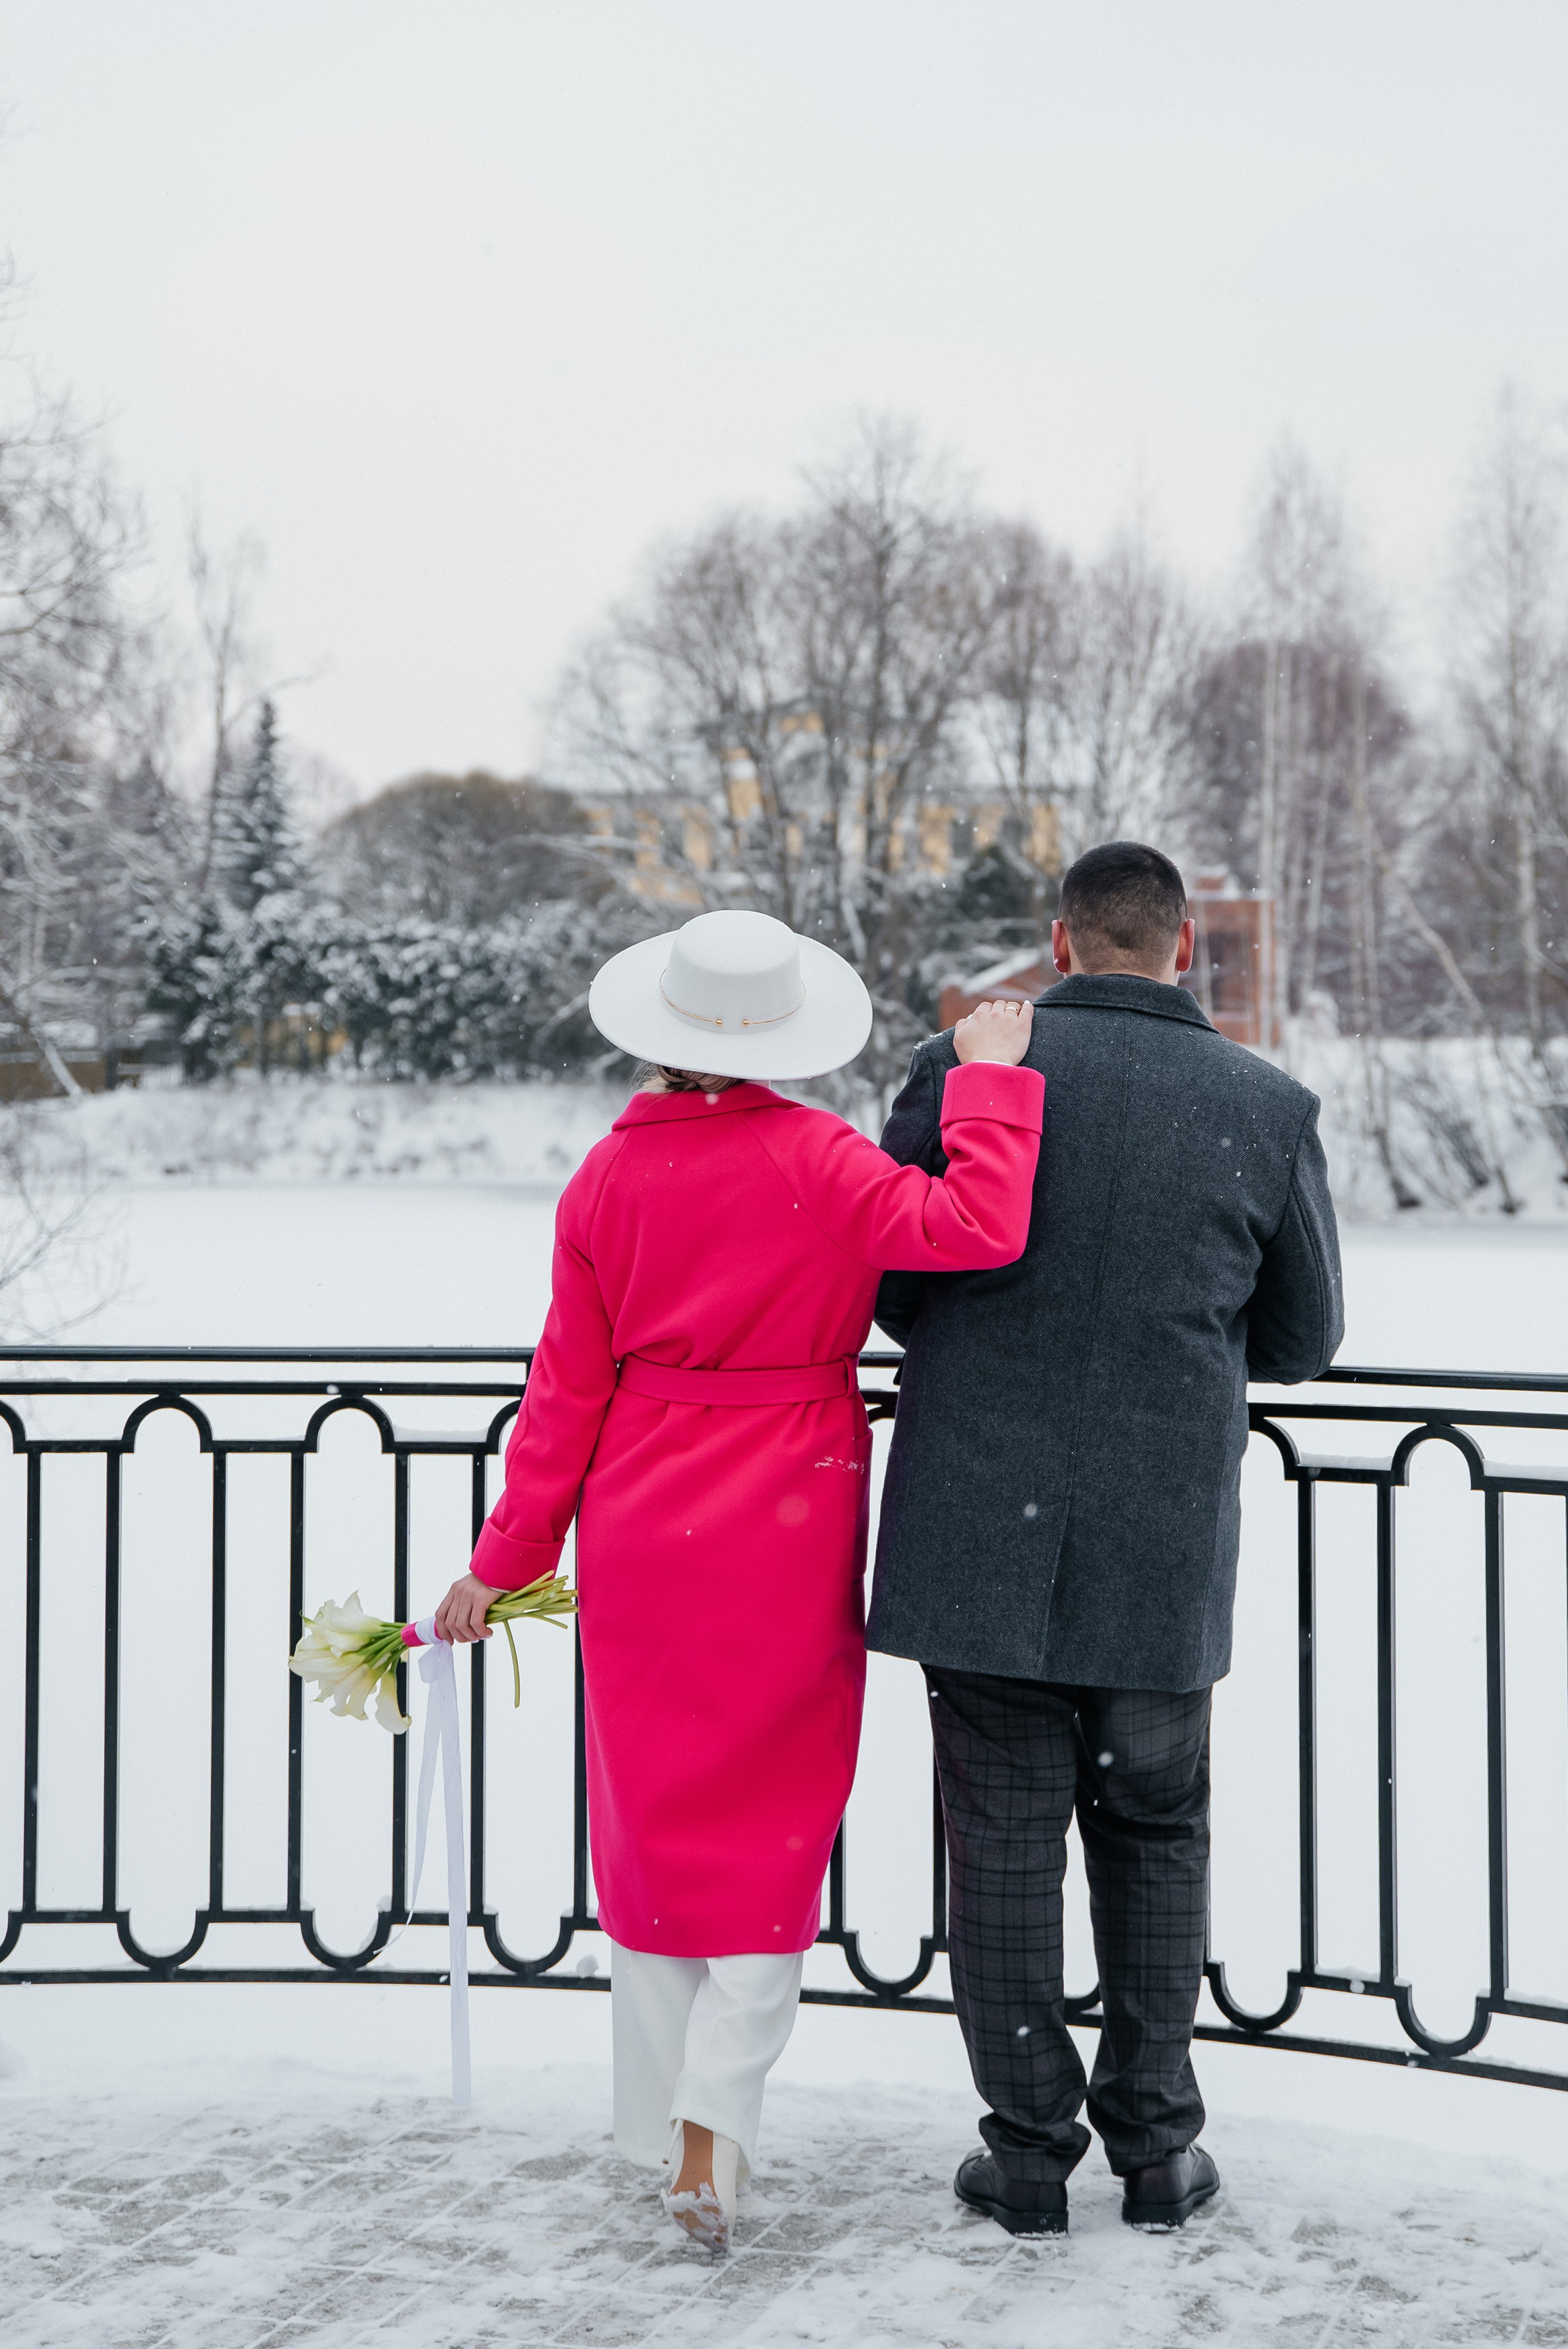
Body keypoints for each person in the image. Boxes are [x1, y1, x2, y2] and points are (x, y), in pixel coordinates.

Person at [434, 907, 1044, 2250]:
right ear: (777, 1038)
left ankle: (657, 2125)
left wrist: (501, 1562)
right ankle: (715, 2128)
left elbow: (562, 1392)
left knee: (652, 1826)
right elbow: (977, 1226)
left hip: (642, 1518)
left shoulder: (602, 1182)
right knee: (772, 1820)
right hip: (786, 1510)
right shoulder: (816, 1158)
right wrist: (989, 1077)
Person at [869, 840, 1343, 2238]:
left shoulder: (960, 1068)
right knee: (1153, 1831)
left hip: (974, 1524)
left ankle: (1025, 2153)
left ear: (1058, 945)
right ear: (1181, 947)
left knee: (1001, 1843)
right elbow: (1304, 1338)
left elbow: (894, 1273)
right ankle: (1153, 2149)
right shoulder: (1261, 1105)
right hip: (1155, 1533)